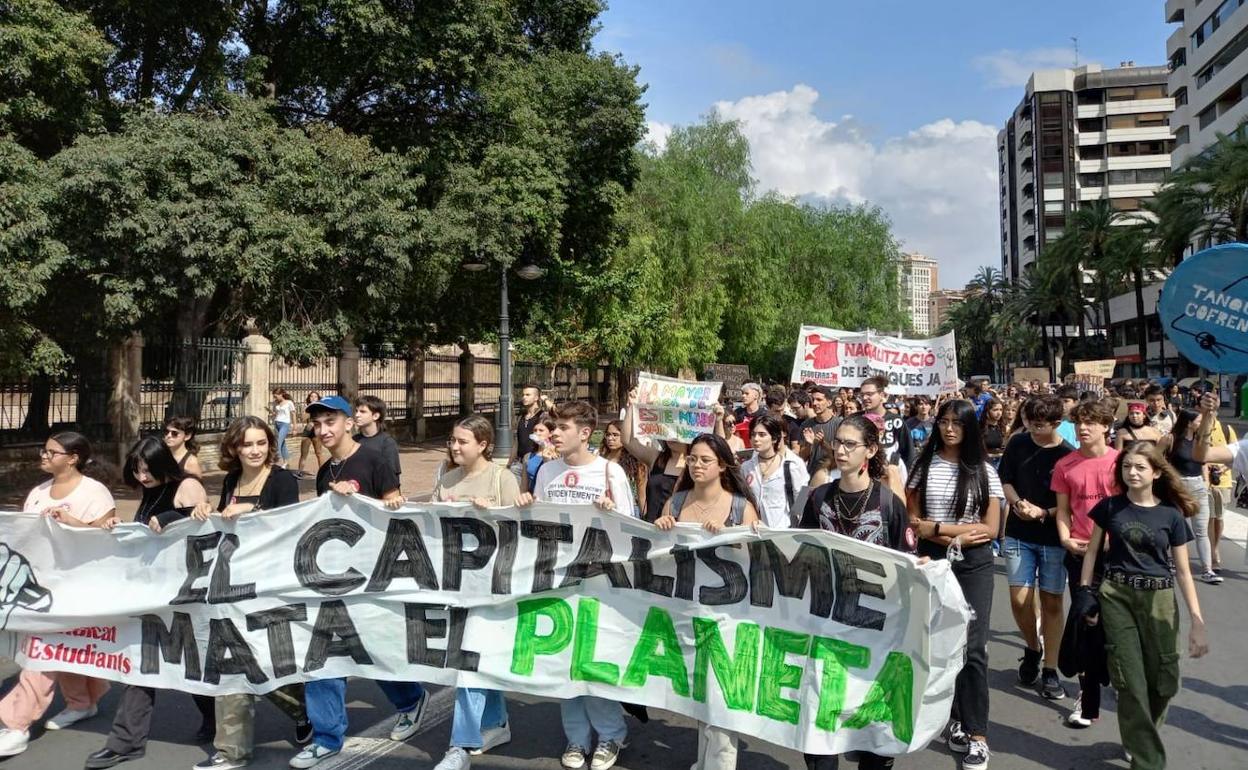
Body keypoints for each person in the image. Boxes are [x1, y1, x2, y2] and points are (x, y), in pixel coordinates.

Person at [291, 395, 425, 769]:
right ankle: (327, 737)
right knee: (324, 656)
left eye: (330, 422)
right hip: (330, 578)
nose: (323, 430)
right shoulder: (323, 473)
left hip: (371, 577)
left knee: (374, 652)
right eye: (317, 425)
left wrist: (360, 499)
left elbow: (397, 511)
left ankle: (411, 698)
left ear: (349, 423)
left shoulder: (374, 460)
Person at [516, 401, 634, 770]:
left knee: (592, 662)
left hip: (599, 584)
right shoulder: (547, 470)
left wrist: (612, 512)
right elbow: (539, 525)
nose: (553, 433)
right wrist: (525, 505)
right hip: (557, 581)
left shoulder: (609, 472)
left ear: (585, 433)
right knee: (564, 664)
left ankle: (611, 734)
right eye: (553, 427)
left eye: (562, 427)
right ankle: (576, 739)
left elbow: (634, 531)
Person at [798, 414, 919, 770]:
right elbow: (802, 550)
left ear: (871, 449)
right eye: (838, 442)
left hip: (876, 630)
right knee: (821, 720)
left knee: (872, 724)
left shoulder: (887, 503)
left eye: (851, 444)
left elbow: (906, 563)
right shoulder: (818, 497)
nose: (841, 450)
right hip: (826, 623)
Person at [1079, 441, 1209, 769]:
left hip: (1160, 600)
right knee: (1130, 681)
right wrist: (1085, 593)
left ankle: (1140, 735)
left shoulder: (1171, 515)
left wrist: (1197, 620)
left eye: (1139, 467)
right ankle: (1148, 760)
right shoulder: (1110, 508)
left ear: (1155, 472)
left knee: (1164, 681)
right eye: (1126, 467)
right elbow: (1093, 552)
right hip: (1117, 596)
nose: (1132, 472)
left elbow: (1182, 570)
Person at [190, 416, 310, 770]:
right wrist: (204, 512)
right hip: (235, 586)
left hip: (273, 586)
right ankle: (231, 751)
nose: (255, 450)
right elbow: (225, 525)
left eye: (261, 443)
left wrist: (253, 509)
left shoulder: (282, 480)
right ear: (234, 448)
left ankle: (305, 709)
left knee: (267, 663)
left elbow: (291, 524)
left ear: (270, 446)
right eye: (247, 444)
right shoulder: (230, 480)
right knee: (234, 664)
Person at [86, 438, 214, 770]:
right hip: (153, 595)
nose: (143, 477)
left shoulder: (186, 485)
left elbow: (204, 525)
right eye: (137, 470)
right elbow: (148, 534)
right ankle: (125, 742)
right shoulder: (149, 490)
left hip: (187, 596)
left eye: (148, 469)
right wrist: (119, 528)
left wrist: (173, 515)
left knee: (194, 666)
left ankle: (226, 716)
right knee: (142, 666)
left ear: (162, 465)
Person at [0, 434, 115, 758]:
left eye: (51, 452)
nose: (44, 456)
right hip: (43, 589)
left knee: (41, 652)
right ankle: (82, 702)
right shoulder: (37, 493)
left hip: (78, 588)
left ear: (73, 457)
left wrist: (73, 523)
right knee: (61, 649)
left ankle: (15, 724)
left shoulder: (94, 493)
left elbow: (108, 541)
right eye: (44, 450)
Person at [907, 399, 1001, 770]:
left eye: (957, 423)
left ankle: (977, 735)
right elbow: (914, 517)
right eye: (943, 422)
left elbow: (990, 530)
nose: (948, 429)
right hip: (933, 560)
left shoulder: (983, 471)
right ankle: (955, 717)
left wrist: (941, 529)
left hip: (974, 565)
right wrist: (940, 536)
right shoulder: (923, 465)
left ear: (969, 428)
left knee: (974, 647)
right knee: (941, 644)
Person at [655, 433, 758, 770]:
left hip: (730, 615)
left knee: (721, 697)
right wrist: (662, 528)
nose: (696, 465)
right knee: (702, 695)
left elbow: (761, 561)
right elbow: (658, 554)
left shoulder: (741, 507)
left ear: (723, 465)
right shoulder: (676, 501)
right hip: (687, 611)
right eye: (693, 459)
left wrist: (731, 539)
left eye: (705, 460)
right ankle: (705, 762)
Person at [430, 416, 520, 770]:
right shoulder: (447, 480)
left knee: (469, 663)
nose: (454, 447)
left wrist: (494, 516)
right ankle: (496, 723)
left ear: (483, 445)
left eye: (462, 441)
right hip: (458, 588)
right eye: (453, 440)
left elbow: (522, 528)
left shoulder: (502, 479)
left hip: (494, 588)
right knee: (476, 662)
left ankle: (460, 746)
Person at [998, 395, 1074, 702]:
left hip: (1054, 537)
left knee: (1052, 603)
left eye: (1038, 424)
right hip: (1018, 533)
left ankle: (1051, 670)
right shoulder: (1018, 443)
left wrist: (1043, 513)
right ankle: (1033, 646)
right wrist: (1017, 503)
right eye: (1028, 421)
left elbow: (1069, 504)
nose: (1031, 427)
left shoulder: (1067, 456)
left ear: (1057, 424)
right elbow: (1005, 479)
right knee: (1019, 599)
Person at [1052, 400, 1119, 730]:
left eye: (1091, 422)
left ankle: (1121, 678)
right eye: (1078, 422)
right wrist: (1065, 537)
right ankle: (1087, 695)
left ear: (1106, 426)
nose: (1083, 428)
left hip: (1120, 557)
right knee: (1084, 621)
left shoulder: (1123, 464)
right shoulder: (1066, 465)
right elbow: (1063, 509)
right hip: (1080, 556)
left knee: (1117, 624)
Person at [1159, 409, 1219, 584]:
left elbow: (1204, 462)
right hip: (1178, 487)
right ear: (1188, 422)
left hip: (1199, 486)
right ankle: (1169, 560)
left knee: (1201, 530)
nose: (1201, 423)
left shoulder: (1201, 441)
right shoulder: (1171, 439)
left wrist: (1206, 482)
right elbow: (1155, 456)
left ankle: (1208, 569)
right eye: (1199, 421)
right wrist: (1168, 476)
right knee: (1174, 526)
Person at [622, 395, 687, 523]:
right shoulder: (657, 457)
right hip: (652, 528)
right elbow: (627, 440)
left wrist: (717, 421)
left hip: (680, 531)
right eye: (668, 430)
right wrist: (633, 407)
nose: (671, 436)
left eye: (678, 431)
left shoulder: (697, 464)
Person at [740, 414, 810, 528]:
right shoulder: (746, 467)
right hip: (755, 534)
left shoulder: (793, 465)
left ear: (774, 438)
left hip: (784, 533)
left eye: (762, 435)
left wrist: (795, 523)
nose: (756, 439)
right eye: (753, 435)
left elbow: (803, 497)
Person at [1204, 413, 1236, 572]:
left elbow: (1235, 455)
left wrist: (1222, 469)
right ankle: (1213, 553)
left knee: (1220, 517)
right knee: (1210, 517)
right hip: (1205, 480)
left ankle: (1216, 546)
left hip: (1223, 480)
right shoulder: (1200, 429)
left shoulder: (1226, 429)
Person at [859, 376, 912, 471]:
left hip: (889, 477)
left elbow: (908, 453)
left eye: (869, 394)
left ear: (882, 395)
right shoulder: (856, 420)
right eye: (862, 394)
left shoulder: (896, 421)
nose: (864, 398)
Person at [598, 419, 647, 514]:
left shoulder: (636, 463)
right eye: (608, 434)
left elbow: (641, 494)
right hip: (603, 508)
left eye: (615, 435)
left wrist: (645, 517)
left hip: (628, 509)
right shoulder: (600, 459)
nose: (610, 438)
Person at [354, 394, 402, 480]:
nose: (357, 415)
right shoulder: (354, 440)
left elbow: (392, 477)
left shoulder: (387, 443)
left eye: (362, 411)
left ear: (375, 416)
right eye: (356, 411)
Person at [799, 386, 841, 475]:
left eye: (819, 400)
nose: (814, 403)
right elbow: (802, 458)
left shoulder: (840, 425)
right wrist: (809, 445)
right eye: (813, 399)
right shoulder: (806, 425)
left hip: (833, 475)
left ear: (829, 402)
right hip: (811, 475)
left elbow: (840, 455)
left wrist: (823, 444)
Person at [520, 413, 559, 494]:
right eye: (535, 430)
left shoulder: (558, 454)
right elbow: (524, 486)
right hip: (534, 499)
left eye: (541, 430)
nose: (537, 433)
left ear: (550, 433)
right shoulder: (528, 457)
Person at [297, 391, 328, 477]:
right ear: (309, 398)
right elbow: (303, 419)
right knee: (303, 453)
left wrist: (314, 422)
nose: (313, 398)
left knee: (318, 453)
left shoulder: (320, 408)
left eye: (315, 397)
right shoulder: (307, 408)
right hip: (307, 432)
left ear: (318, 398)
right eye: (311, 397)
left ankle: (322, 472)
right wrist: (309, 409)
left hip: (316, 432)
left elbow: (323, 419)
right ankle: (300, 472)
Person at [513, 384, 546, 463]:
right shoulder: (521, 417)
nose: (524, 397)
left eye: (528, 395)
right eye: (523, 395)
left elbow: (557, 412)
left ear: (536, 398)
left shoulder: (542, 416)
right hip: (519, 462)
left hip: (535, 460)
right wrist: (509, 464)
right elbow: (516, 442)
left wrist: (546, 400)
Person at [904, 396, 934, 467]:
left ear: (930, 406)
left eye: (926, 404)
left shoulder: (934, 423)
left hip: (929, 459)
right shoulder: (908, 422)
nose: (924, 407)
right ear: (916, 406)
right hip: (912, 459)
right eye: (921, 404)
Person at [270, 388, 296, 469]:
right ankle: (286, 462)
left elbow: (293, 414)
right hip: (277, 423)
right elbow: (276, 413)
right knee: (283, 444)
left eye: (276, 396)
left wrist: (294, 427)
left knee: (278, 442)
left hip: (285, 424)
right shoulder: (275, 403)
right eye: (274, 396)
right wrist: (273, 414)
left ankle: (274, 460)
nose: (275, 398)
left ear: (281, 394)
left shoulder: (289, 403)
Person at [979, 398, 1007, 469]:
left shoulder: (1003, 427)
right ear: (987, 411)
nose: (999, 413)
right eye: (995, 410)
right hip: (985, 463)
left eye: (1001, 410)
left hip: (1000, 463)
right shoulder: (980, 428)